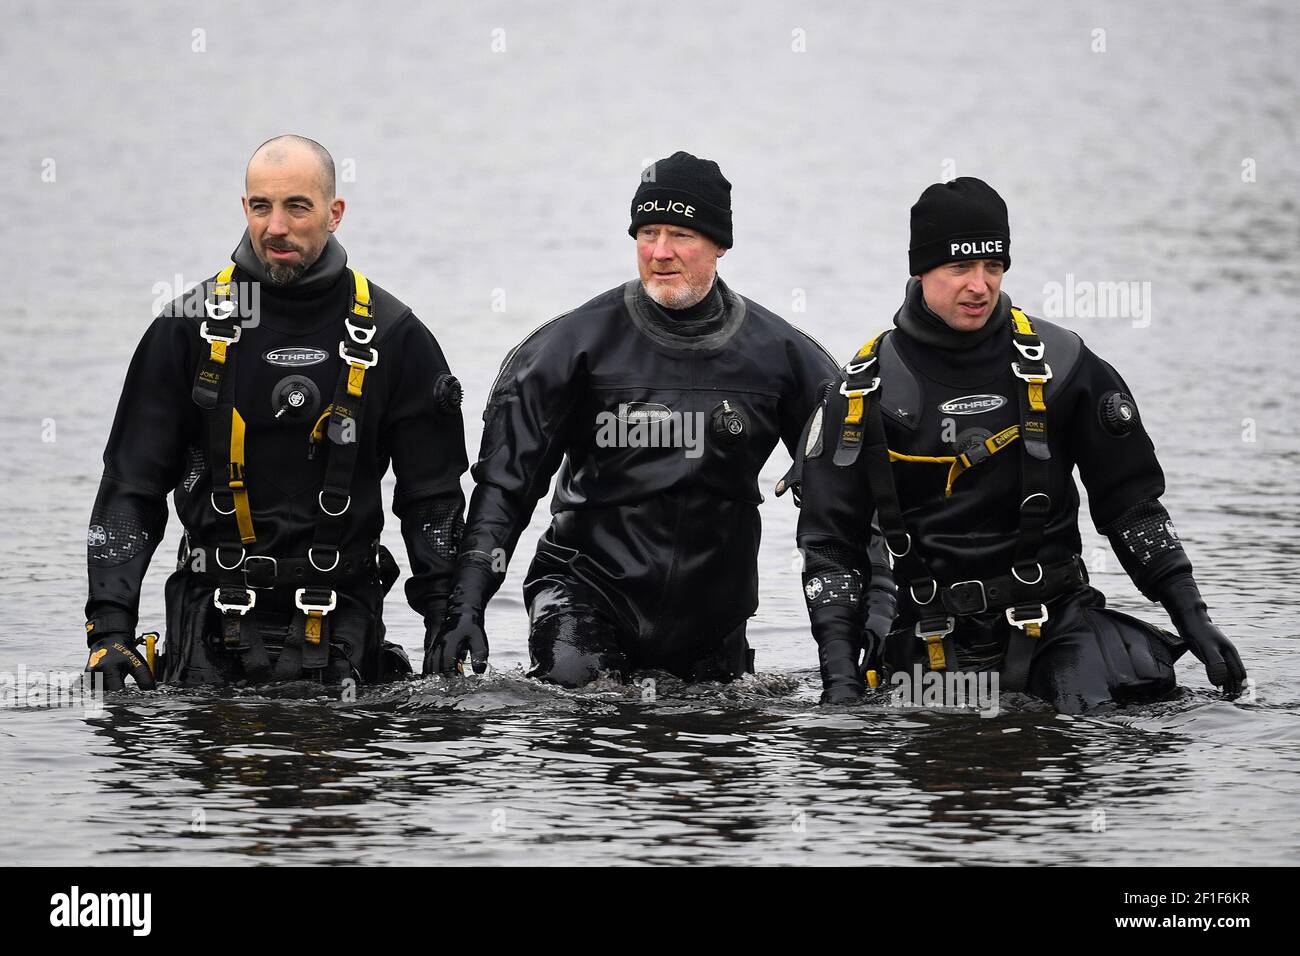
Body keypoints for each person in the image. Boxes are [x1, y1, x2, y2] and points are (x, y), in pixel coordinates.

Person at [794, 177, 1246, 713]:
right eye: (960, 267)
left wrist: (1193, 616)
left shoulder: (1065, 366)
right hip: (933, 636)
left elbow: (1131, 506)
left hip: (1058, 626)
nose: (979, 286)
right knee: (928, 750)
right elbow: (830, 548)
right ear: (920, 270)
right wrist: (840, 680)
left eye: (993, 266)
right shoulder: (863, 391)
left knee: (1105, 727)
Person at [426, 151, 840, 685]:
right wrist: (465, 607)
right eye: (647, 233)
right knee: (586, 701)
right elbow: (505, 489)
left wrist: (859, 634)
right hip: (584, 596)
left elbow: (847, 508)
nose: (660, 253)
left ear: (720, 244)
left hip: (713, 616)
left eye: (681, 235)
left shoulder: (784, 358)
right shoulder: (568, 348)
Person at [84, 135, 467, 689]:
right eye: (261, 206)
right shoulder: (185, 327)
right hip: (209, 624)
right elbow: (129, 492)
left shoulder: (395, 334)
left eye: (297, 206)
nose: (276, 227)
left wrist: (446, 629)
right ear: (245, 209)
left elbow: (433, 502)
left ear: (335, 213)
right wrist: (110, 635)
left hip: (343, 621)